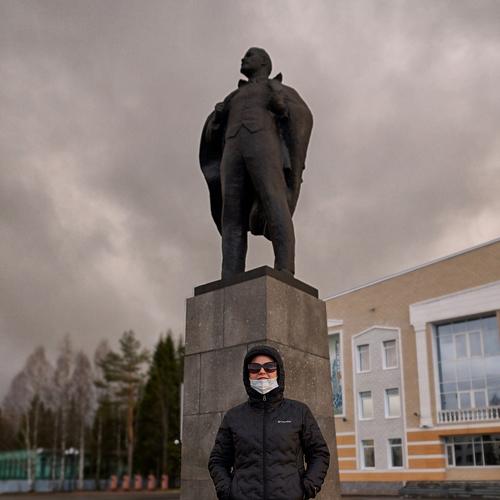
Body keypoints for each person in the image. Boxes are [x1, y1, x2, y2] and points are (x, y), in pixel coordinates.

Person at [200, 48, 313, 279]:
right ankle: (230, 273)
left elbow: (303, 115)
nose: (243, 59)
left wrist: (283, 107)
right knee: (231, 214)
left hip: (264, 145)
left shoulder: (278, 88)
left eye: (250, 56)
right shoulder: (233, 96)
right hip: (232, 150)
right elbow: (213, 131)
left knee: (274, 200)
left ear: (264, 63)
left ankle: (284, 268)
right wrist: (216, 119)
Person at [208, 345, 330, 500]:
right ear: (247, 374)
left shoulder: (299, 412)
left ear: (278, 372)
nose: (262, 372)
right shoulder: (234, 416)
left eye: (269, 367)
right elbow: (218, 460)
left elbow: (319, 453)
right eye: (254, 368)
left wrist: (309, 486)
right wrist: (227, 491)